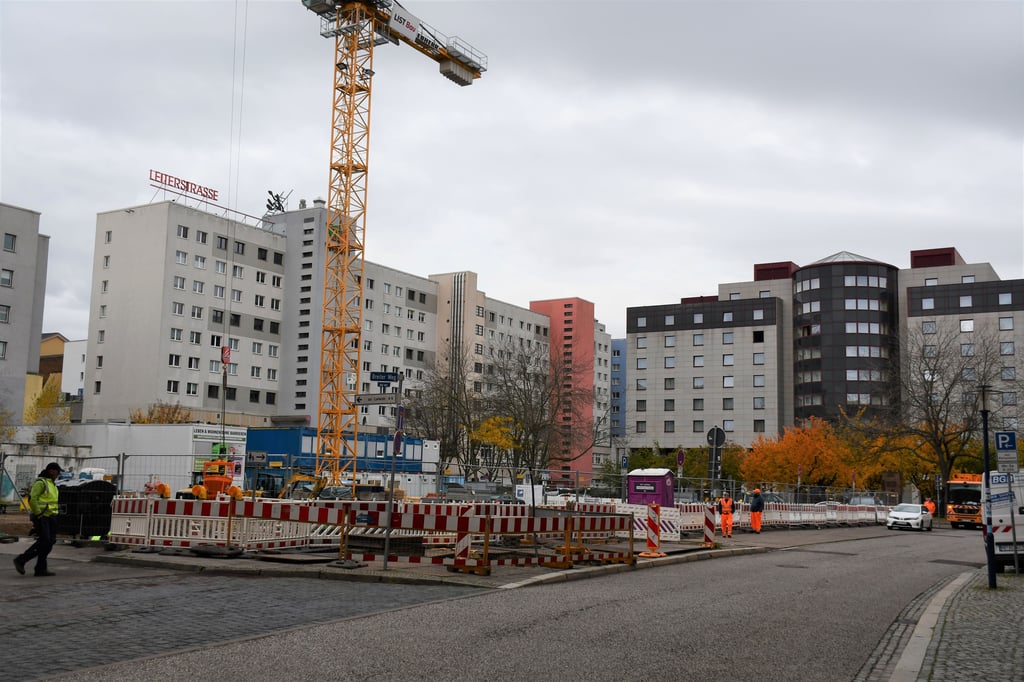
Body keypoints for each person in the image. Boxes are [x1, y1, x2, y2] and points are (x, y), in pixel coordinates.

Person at [13, 462, 62, 577]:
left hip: (51, 516)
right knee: (44, 542)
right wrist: (39, 514)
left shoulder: (52, 484)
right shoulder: (41, 483)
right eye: (57, 471)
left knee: (49, 542)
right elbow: (32, 499)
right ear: (51, 471)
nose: (58, 474)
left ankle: (40, 568)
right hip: (43, 517)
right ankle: (21, 560)